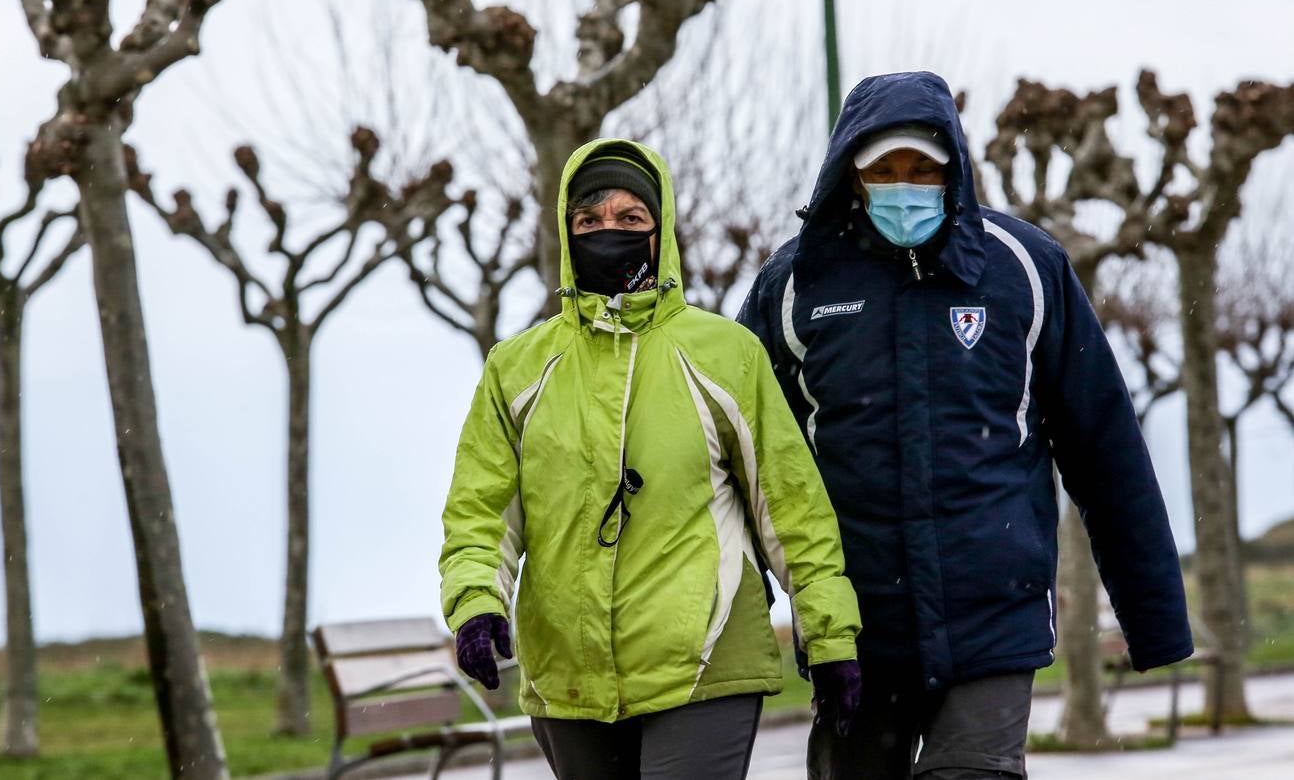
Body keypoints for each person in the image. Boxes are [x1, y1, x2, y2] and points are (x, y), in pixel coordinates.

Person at [738, 72, 1194, 779]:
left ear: (954, 167)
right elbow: (751, 460)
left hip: (994, 617)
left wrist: (1154, 618)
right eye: (883, 169)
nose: (904, 183)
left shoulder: (1025, 269)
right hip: (854, 630)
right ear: (849, 177)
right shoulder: (794, 285)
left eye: (923, 167)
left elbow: (1105, 450)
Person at [439, 139, 863, 780]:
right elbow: (481, 512)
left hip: (703, 662)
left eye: (630, 219)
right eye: (589, 221)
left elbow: (793, 509)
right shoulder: (516, 368)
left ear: (660, 230)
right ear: (565, 230)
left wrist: (828, 633)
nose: (608, 232)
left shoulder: (727, 354)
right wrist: (475, 603)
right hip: (568, 676)